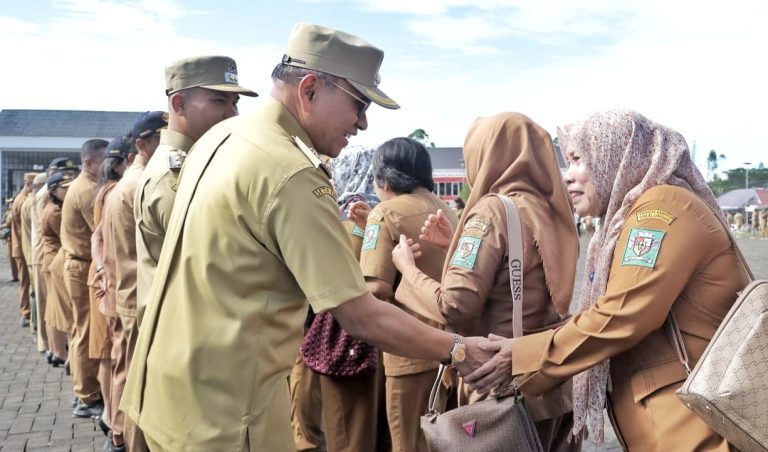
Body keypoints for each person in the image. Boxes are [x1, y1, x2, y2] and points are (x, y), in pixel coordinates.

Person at [121, 23, 492, 451]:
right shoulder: (290, 171)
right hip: (226, 418)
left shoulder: (220, 137)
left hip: (167, 396)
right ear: (311, 89)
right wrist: (460, 350)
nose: (363, 122)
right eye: (359, 103)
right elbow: (361, 313)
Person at [465, 109, 750, 450]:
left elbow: (622, 315)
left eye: (579, 159)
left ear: (619, 154)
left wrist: (522, 354)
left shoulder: (659, 210)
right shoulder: (624, 220)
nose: (568, 176)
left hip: (694, 428)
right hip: (673, 420)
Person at [392, 113, 581, 451]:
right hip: (552, 386)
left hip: (500, 390)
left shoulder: (492, 211)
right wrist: (456, 244)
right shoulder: (553, 209)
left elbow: (455, 305)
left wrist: (407, 269)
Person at [134, 55, 257, 324]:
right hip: (180, 333)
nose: (232, 114)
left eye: (234, 103)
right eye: (219, 101)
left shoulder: (196, 163)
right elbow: (212, 270)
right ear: (179, 104)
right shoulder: (173, 178)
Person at [359, 137, 459, 452]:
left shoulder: (384, 214)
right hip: (451, 348)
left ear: (384, 179)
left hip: (407, 351)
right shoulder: (449, 210)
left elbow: (376, 289)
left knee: (407, 443)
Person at [289, 145, 390, 452]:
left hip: (320, 335)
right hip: (363, 339)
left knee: (313, 425)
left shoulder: (334, 216)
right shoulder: (371, 218)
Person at [104, 111, 166, 452]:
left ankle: (120, 437)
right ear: (141, 144)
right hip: (138, 294)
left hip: (128, 292)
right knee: (137, 384)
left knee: (130, 375)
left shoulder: (127, 183)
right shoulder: (141, 183)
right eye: (161, 139)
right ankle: (128, 443)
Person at [61, 138, 106, 418]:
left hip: (77, 264)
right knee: (85, 332)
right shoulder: (87, 189)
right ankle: (87, 396)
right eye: (105, 161)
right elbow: (102, 231)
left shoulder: (84, 186)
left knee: (81, 330)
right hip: (81, 266)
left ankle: (85, 391)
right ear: (89, 163)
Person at [89, 137, 130, 435]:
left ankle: (108, 414)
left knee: (110, 352)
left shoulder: (103, 190)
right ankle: (110, 417)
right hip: (111, 278)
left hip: (105, 272)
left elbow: (96, 237)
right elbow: (99, 237)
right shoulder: (114, 192)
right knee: (111, 353)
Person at [41, 172, 73, 366]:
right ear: (53, 191)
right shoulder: (54, 212)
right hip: (56, 262)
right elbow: (68, 234)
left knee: (53, 310)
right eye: (64, 188)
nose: (67, 190)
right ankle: (60, 352)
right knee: (60, 311)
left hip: (51, 261)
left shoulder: (52, 208)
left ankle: (56, 351)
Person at [11, 173, 36, 326]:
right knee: (25, 282)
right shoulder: (22, 201)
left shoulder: (21, 198)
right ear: (29, 184)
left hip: (21, 247)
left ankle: (26, 312)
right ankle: (25, 313)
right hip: (22, 247)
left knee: (25, 281)